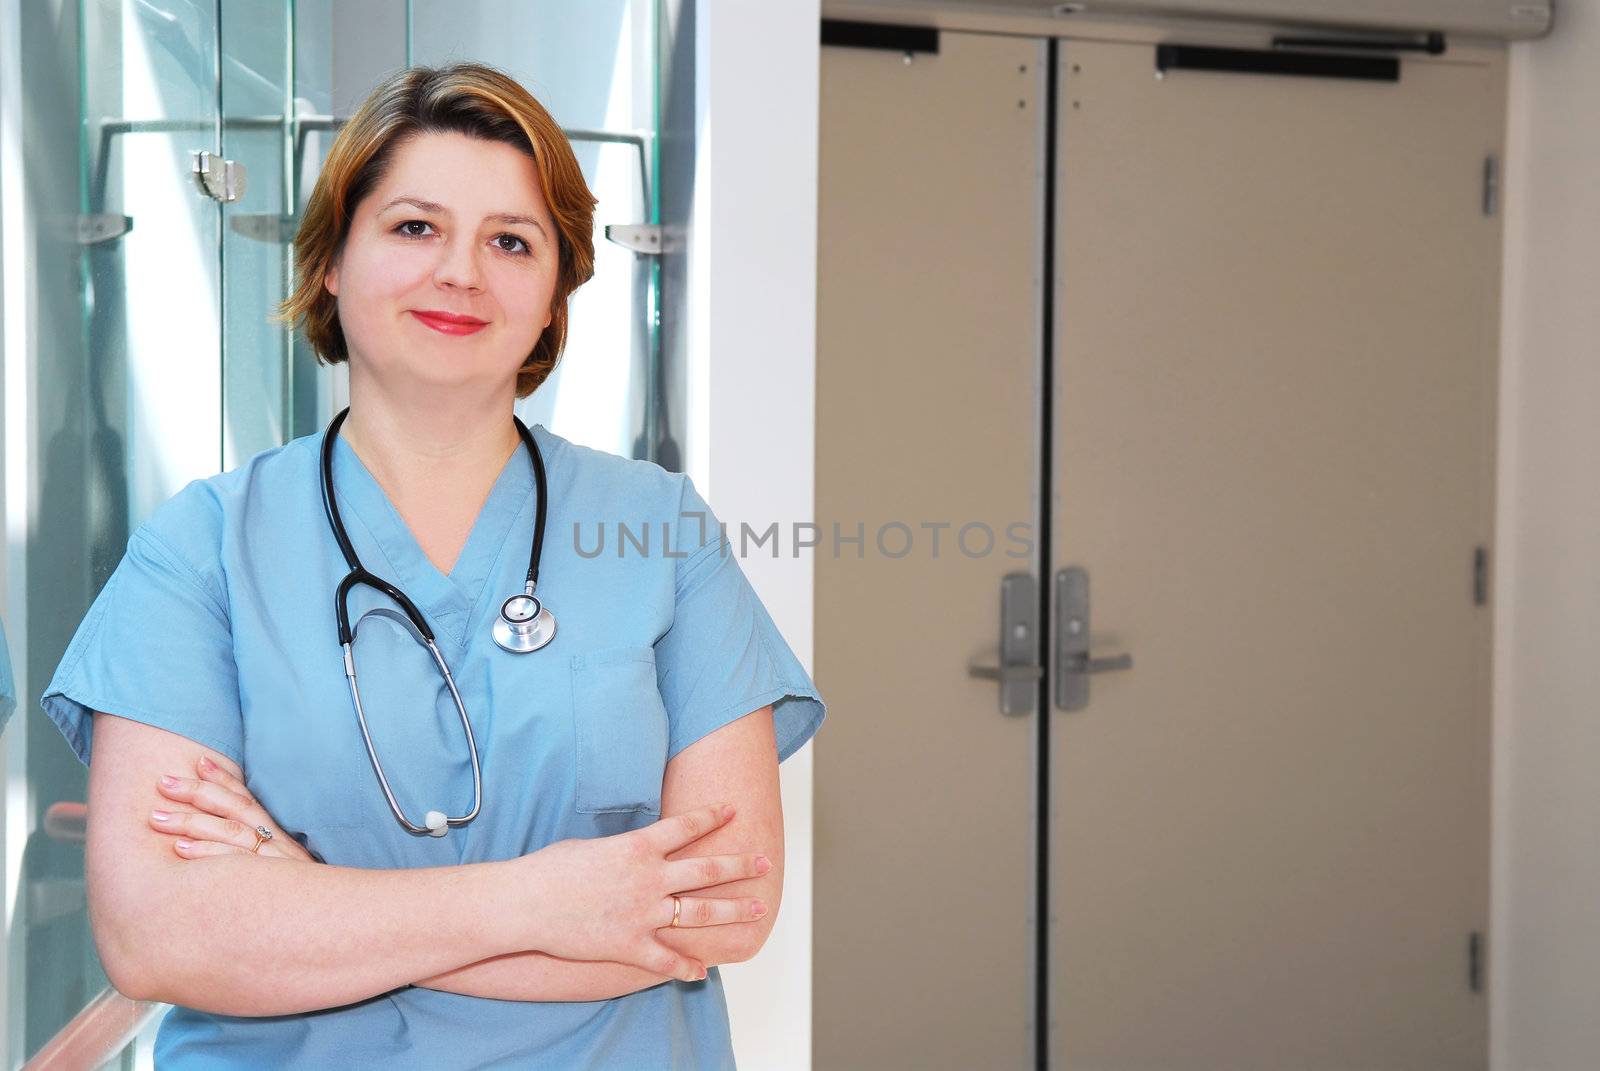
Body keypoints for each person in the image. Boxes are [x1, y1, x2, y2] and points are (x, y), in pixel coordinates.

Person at [38, 61, 826, 1068]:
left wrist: (301, 902)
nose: (461, 272)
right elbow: (157, 939)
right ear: (331, 259)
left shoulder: (658, 529)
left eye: (511, 241)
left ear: (554, 296)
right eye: (414, 227)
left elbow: (721, 911)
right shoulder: (202, 548)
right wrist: (550, 901)